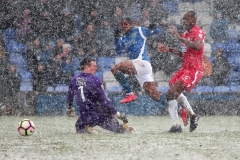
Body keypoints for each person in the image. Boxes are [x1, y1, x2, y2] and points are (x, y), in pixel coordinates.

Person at [157, 11, 202, 133]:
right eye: (183, 19)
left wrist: (179, 37)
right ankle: (190, 117)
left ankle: (179, 126)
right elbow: (184, 54)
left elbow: (197, 46)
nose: (184, 21)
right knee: (170, 93)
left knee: (173, 91)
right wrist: (169, 49)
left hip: (193, 69)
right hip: (184, 68)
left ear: (193, 20)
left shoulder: (198, 32)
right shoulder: (185, 34)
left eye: (186, 19)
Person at [66, 57, 136, 134]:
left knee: (80, 128)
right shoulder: (95, 80)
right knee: (117, 128)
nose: (96, 68)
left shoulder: (74, 79)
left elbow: (70, 96)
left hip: (85, 115)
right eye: (94, 66)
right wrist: (117, 113)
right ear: (86, 67)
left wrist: (69, 108)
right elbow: (104, 101)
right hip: (101, 113)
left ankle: (88, 128)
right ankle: (125, 128)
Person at [112, 17, 162, 104]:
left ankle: (129, 94)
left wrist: (153, 27)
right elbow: (118, 51)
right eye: (122, 24)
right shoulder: (123, 38)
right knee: (155, 96)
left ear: (131, 24)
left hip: (142, 62)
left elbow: (158, 32)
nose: (123, 26)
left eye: (126, 24)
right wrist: (116, 37)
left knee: (115, 68)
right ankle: (179, 107)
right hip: (138, 68)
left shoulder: (139, 30)